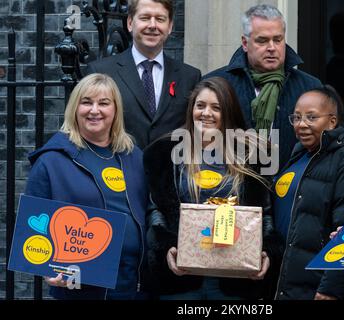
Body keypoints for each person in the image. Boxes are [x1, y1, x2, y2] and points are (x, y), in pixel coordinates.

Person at [143, 77, 283, 300]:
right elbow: (156, 209)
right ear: (191, 109)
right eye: (200, 105)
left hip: (236, 280)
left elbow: (264, 214)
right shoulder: (165, 152)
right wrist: (166, 249)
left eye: (216, 108)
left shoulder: (252, 155)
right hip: (182, 279)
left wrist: (266, 252)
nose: (206, 113)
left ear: (228, 112)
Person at [25, 73, 148, 300]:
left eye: (103, 103)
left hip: (134, 285)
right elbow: (34, 227)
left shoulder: (133, 156)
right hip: (81, 288)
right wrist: (45, 267)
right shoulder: (52, 160)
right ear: (75, 108)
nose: (94, 110)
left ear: (115, 111)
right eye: (86, 102)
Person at [273, 85, 344, 300]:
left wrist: (332, 287)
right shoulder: (299, 154)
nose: (302, 125)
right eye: (297, 117)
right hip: (288, 277)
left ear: (332, 121)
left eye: (311, 117)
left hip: (318, 284)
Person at [204, 4, 321, 171]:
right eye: (262, 40)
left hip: (292, 190)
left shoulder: (311, 88)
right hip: (232, 189)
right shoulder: (216, 84)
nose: (272, 48)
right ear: (245, 43)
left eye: (278, 39)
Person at [86, 0, 201, 150]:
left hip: (170, 171)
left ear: (170, 26)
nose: (152, 25)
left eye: (160, 19)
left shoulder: (190, 77)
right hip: (116, 169)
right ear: (129, 23)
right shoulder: (101, 71)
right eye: (145, 18)